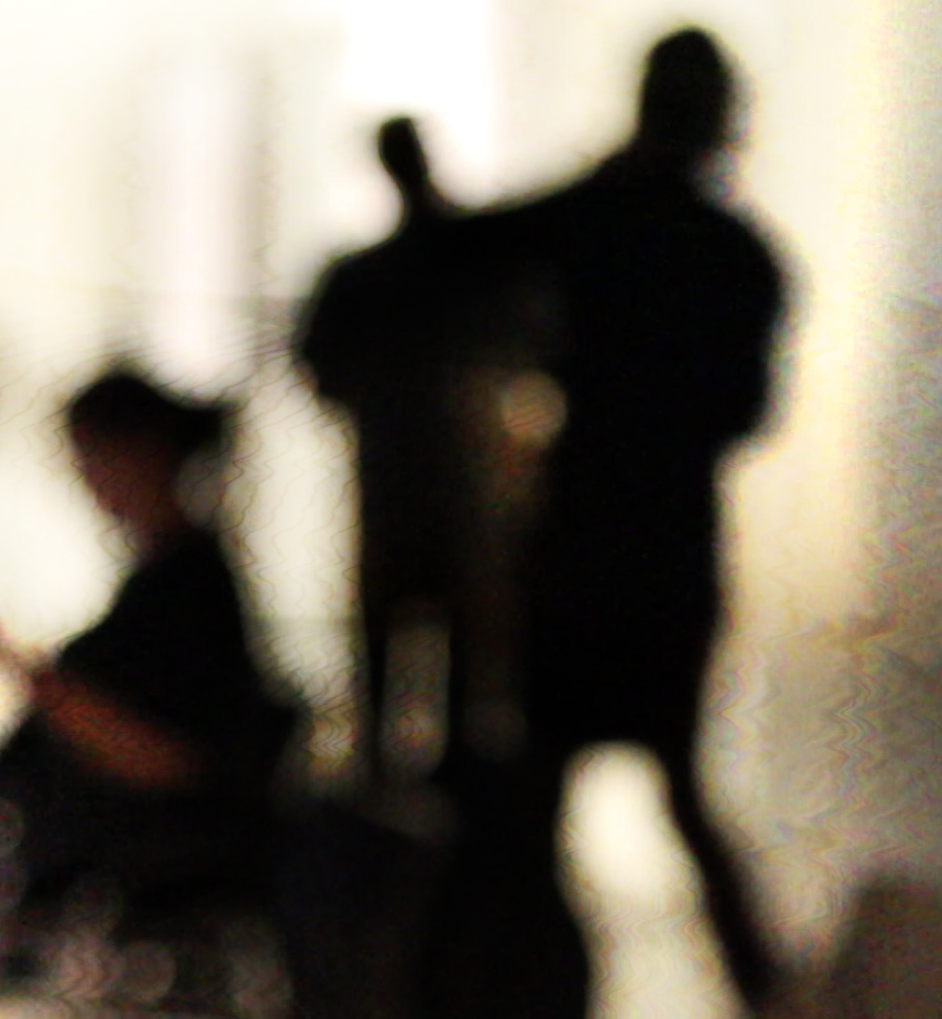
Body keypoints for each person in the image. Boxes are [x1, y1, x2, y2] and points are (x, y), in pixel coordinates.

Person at [463, 27, 786, 1012]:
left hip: (582, 541)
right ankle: (768, 992)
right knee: (676, 787)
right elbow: (745, 413)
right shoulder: (739, 256)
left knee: (538, 789)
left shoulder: (596, 222)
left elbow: (475, 245)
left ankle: (533, 991)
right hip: (671, 546)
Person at [0, 369, 296, 948]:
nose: (84, 477)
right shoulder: (161, 581)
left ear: (144, 452)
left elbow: (168, 757)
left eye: (90, 455)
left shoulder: (190, 589)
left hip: (155, 898)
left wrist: (30, 675)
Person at [296, 117, 482, 791]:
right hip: (439, 486)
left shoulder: (370, 276)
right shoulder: (457, 268)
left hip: (415, 485)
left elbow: (319, 368)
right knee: (434, 645)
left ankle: (395, 781)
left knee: (402, 643)